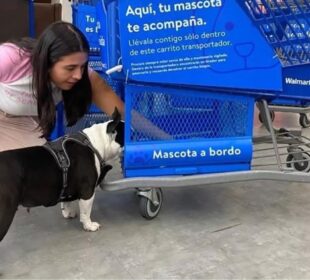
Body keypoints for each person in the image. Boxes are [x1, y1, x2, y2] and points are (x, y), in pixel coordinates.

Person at [0, 21, 124, 152]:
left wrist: (147, 136)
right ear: (48, 62)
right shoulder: (10, 58)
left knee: (38, 163)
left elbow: (122, 113)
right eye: (70, 68)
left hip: (22, 121)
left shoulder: (85, 77)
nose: (78, 75)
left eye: (82, 66)